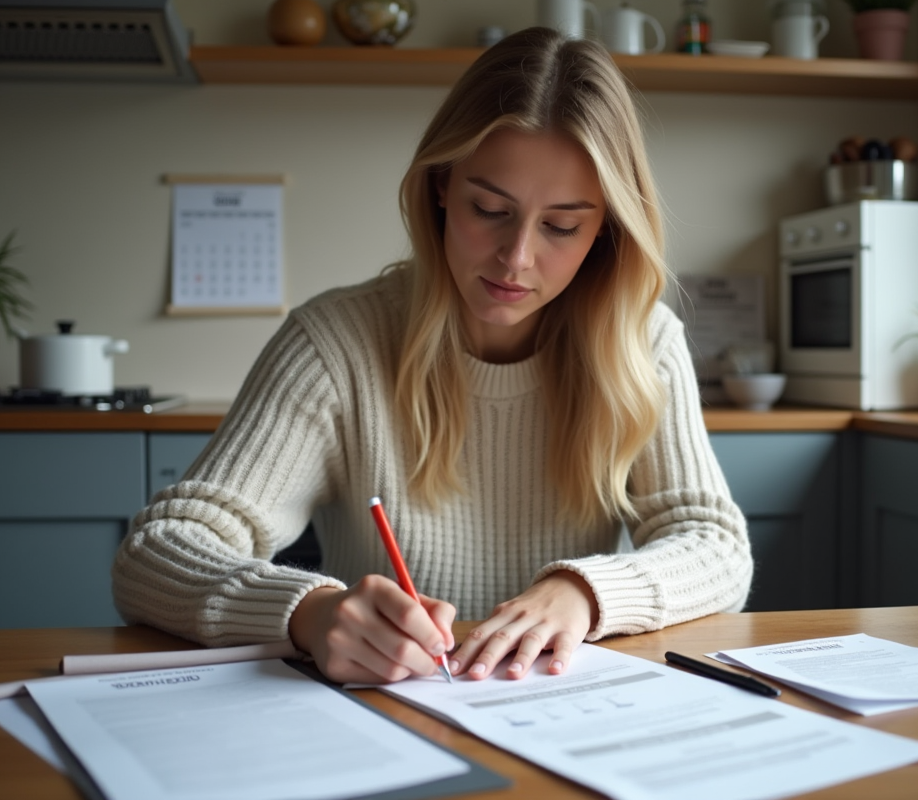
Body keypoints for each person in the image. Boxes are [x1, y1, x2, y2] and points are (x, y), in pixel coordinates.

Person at [112, 27, 752, 685]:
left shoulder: (644, 341)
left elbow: (718, 548)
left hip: (561, 712)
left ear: (605, 231)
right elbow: (155, 555)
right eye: (489, 208)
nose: (517, 257)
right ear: (441, 186)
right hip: (390, 717)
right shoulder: (335, 343)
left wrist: (584, 594)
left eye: (562, 225)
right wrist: (309, 611)